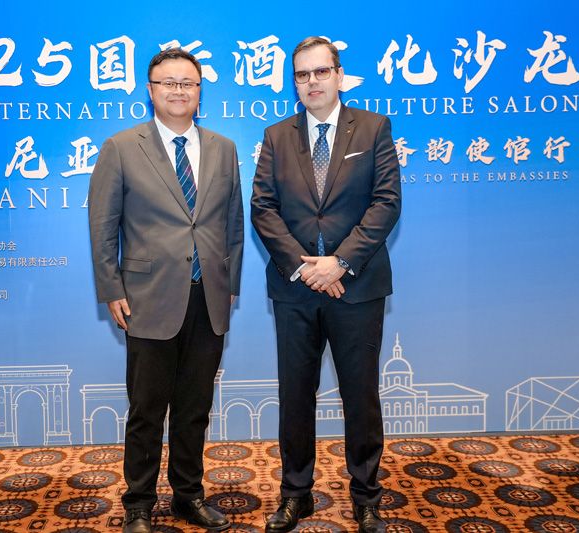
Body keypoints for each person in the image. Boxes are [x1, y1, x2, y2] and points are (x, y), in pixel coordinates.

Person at [88, 48, 243, 533]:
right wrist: (111, 286)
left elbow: (233, 225)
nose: (179, 90)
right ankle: (138, 503)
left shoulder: (223, 148)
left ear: (200, 91)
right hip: (147, 297)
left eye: (188, 83)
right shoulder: (121, 147)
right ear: (150, 90)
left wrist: (230, 284)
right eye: (168, 82)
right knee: (147, 409)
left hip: (208, 297)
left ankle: (188, 495)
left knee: (195, 408)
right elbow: (103, 225)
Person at [251, 37, 401, 533]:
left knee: (361, 396)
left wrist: (339, 263)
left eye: (320, 71)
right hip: (295, 289)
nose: (312, 82)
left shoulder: (373, 128)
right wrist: (307, 268)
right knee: (296, 396)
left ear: (339, 75)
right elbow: (263, 209)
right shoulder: (276, 137)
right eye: (302, 74)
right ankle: (295, 495)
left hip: (356, 287)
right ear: (294, 83)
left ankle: (367, 497)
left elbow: (386, 203)